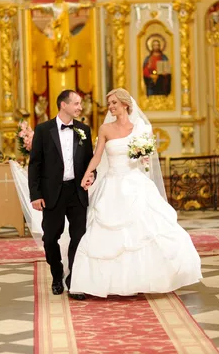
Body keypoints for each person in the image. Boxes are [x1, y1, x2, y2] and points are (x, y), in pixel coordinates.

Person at [71, 88, 202, 297]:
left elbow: (145, 160)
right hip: (112, 184)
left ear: (125, 104)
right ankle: (106, 282)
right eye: (109, 104)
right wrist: (88, 174)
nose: (111, 107)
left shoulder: (140, 129)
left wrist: (144, 158)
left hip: (134, 184)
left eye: (114, 103)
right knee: (107, 233)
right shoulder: (105, 129)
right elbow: (97, 157)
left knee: (144, 231)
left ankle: (143, 279)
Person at [28, 90, 95, 300]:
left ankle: (74, 280)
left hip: (77, 193)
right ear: (63, 105)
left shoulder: (84, 129)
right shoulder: (43, 130)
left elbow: (90, 162)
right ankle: (57, 275)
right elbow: (35, 165)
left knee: (79, 237)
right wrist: (35, 195)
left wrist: (91, 175)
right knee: (50, 238)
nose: (80, 107)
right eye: (76, 103)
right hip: (51, 193)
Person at [30, 0, 91, 72]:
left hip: (64, 28)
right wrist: (36, 7)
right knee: (58, 40)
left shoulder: (66, 6)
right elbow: (45, 7)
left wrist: (85, 5)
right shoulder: (53, 6)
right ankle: (59, 56)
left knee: (64, 41)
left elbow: (76, 6)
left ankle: (63, 57)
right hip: (56, 28)